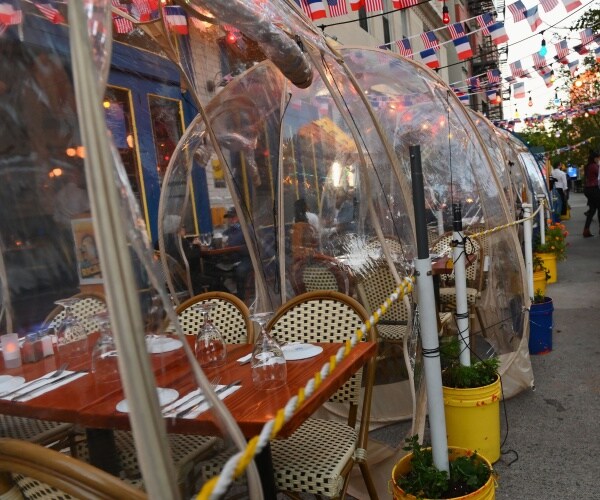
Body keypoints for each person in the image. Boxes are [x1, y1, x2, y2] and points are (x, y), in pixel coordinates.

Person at [222, 207, 251, 300]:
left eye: (232, 217)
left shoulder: (247, 229)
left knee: (240, 271)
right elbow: (223, 243)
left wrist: (239, 249)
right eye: (229, 218)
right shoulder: (227, 232)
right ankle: (227, 297)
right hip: (231, 259)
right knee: (215, 270)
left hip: (245, 258)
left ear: (239, 217)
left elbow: (253, 246)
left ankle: (240, 297)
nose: (230, 220)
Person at [582, 150, 600, 238]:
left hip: (588, 189)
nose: (598, 159)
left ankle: (586, 230)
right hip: (594, 189)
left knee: (592, 210)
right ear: (594, 158)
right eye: (597, 158)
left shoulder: (588, 166)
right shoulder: (594, 166)